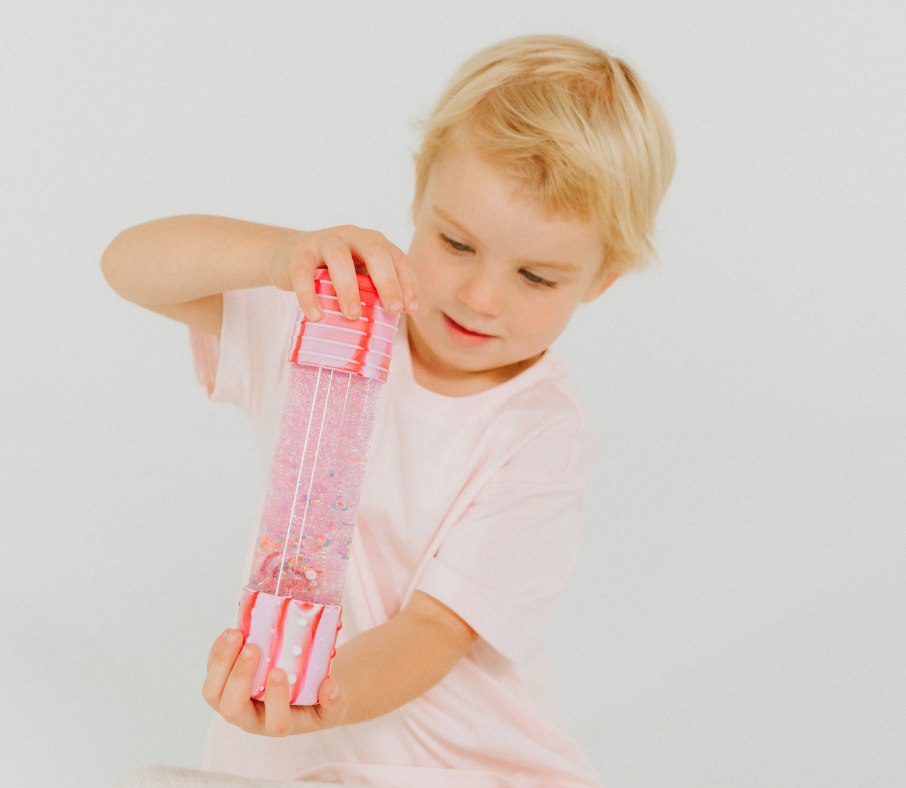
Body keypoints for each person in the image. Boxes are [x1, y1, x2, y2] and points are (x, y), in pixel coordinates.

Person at [101, 34, 675, 788]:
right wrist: (279, 255)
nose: (480, 296)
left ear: (602, 279)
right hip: (288, 747)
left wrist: (324, 696)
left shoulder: (540, 433)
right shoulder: (327, 321)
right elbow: (129, 268)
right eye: (455, 242)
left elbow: (435, 629)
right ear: (419, 195)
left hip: (461, 763)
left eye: (536, 276)